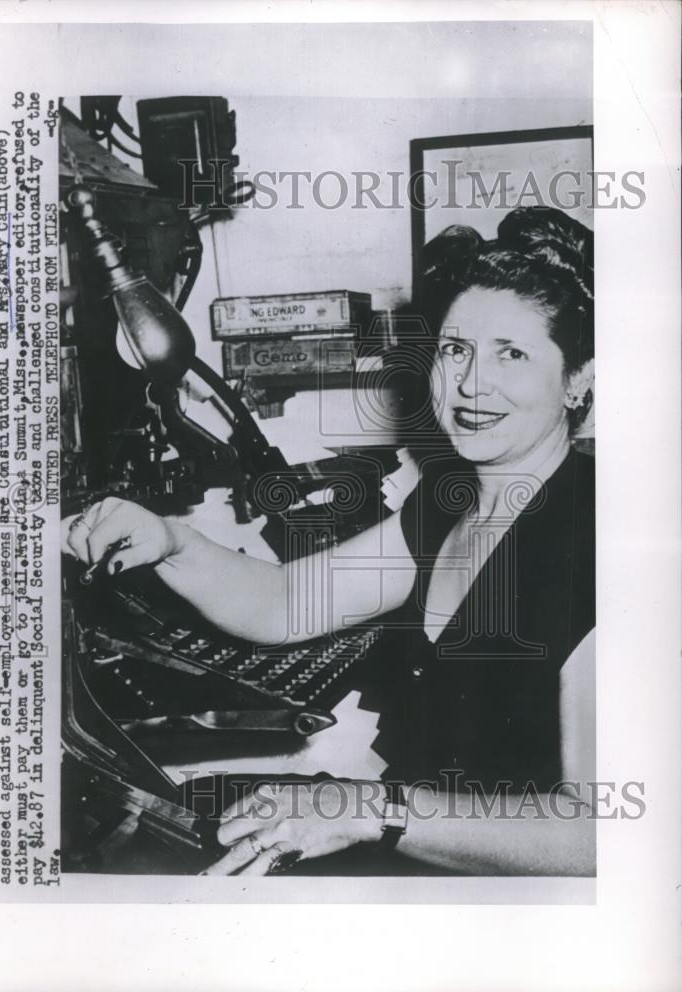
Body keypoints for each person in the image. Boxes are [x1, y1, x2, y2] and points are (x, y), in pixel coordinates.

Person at [63, 206, 596, 877]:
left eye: (511, 354)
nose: (469, 383)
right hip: (416, 857)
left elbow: (593, 837)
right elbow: (289, 601)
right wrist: (172, 540)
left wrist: (366, 809)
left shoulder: (600, 538)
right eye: (456, 349)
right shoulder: (449, 501)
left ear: (580, 379)